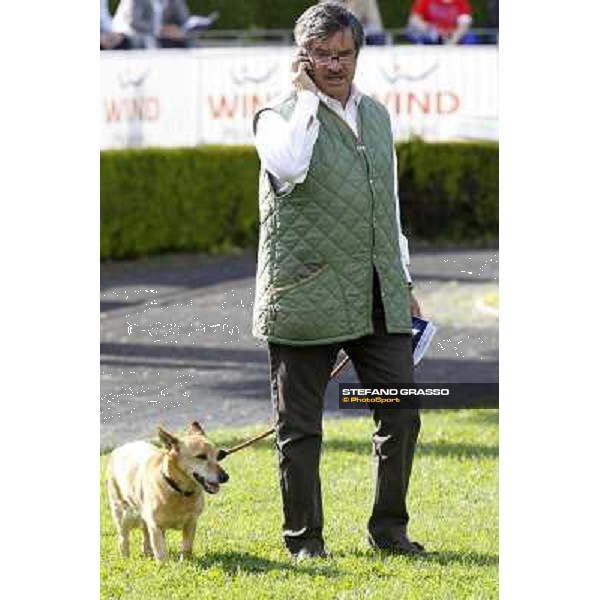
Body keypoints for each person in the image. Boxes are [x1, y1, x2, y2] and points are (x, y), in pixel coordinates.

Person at [253, 2, 425, 560]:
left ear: (357, 53)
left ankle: (389, 532)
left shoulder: (377, 115)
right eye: (321, 55)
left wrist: (402, 276)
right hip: (304, 295)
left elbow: (388, 206)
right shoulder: (276, 118)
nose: (334, 64)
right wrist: (305, 95)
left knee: (398, 410)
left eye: (343, 53)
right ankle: (305, 541)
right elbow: (291, 166)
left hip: (377, 291)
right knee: (301, 428)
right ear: (301, 58)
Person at [112, 0, 218, 49]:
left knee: (189, 43)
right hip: (129, 33)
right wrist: (160, 30)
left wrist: (183, 30)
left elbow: (184, 19)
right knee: (148, 42)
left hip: (159, 35)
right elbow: (134, 22)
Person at [406, 0, 477, 45]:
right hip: (430, 34)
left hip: (452, 35)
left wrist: (452, 42)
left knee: (470, 37)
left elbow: (464, 25)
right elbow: (414, 19)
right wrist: (430, 30)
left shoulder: (462, 2)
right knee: (412, 30)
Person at [320, 0, 387, 45]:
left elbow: (375, 25)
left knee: (378, 37)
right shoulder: (327, 1)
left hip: (360, 35)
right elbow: (325, 25)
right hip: (334, 36)